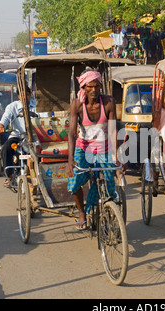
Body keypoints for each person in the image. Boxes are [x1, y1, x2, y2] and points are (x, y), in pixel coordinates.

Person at [66, 69, 120, 231]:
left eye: (97, 86)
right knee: (74, 182)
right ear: (83, 87)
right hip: (83, 148)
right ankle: (82, 212)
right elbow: (72, 133)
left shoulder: (109, 102)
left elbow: (112, 131)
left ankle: (109, 213)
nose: (94, 90)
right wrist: (70, 160)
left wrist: (117, 157)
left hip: (104, 148)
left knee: (109, 184)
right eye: (90, 87)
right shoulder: (77, 105)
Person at [0, 86, 36, 186]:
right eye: (22, 95)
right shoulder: (12, 107)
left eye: (27, 95)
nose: (25, 97)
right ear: (18, 96)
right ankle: (9, 176)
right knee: (6, 148)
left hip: (34, 137)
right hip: (18, 136)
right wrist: (1, 126)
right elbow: (5, 118)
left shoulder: (36, 105)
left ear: (30, 94)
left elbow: (44, 116)